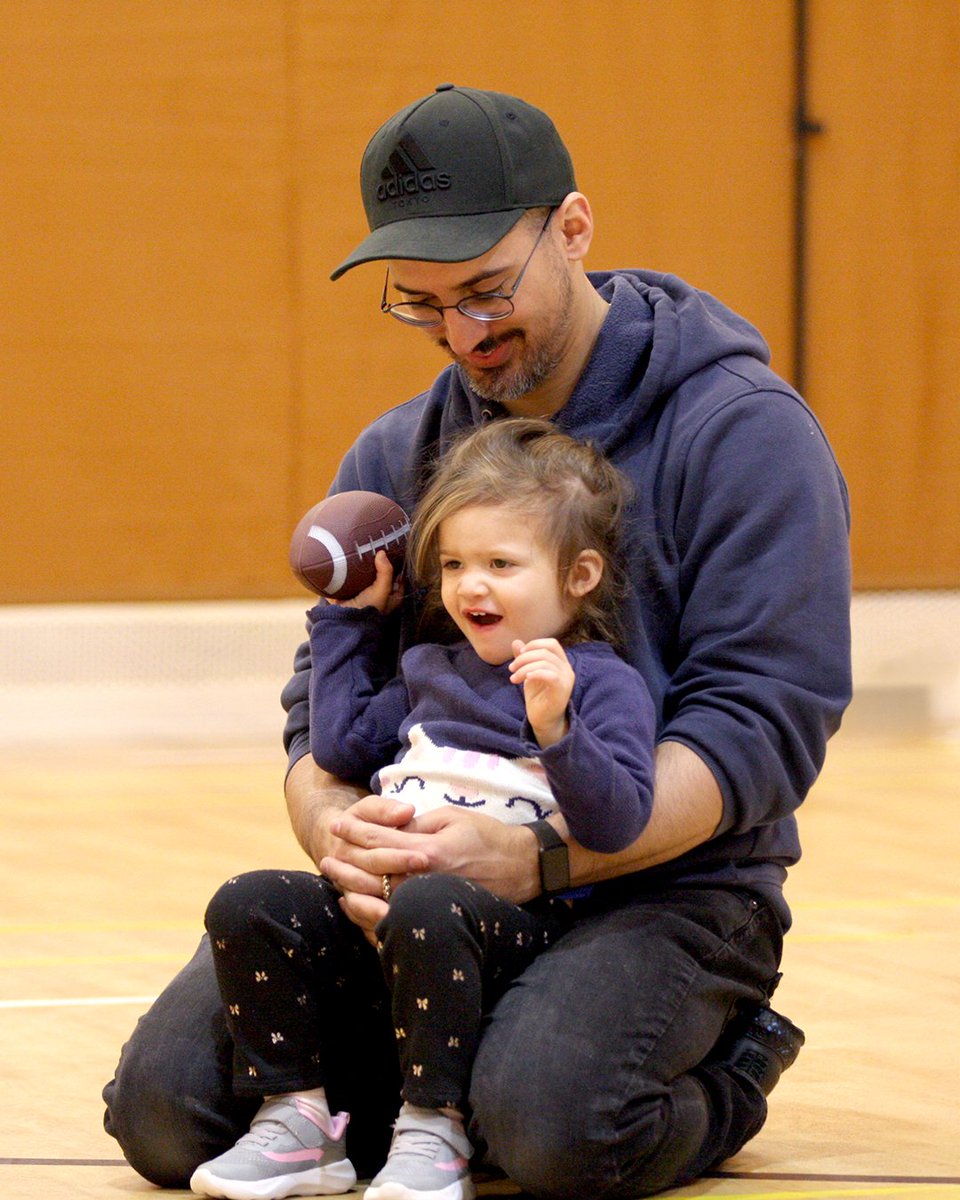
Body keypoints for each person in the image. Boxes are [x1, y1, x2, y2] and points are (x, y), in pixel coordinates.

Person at [103, 84, 852, 1198]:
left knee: (552, 1131)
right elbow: (321, 705)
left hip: (663, 891)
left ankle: (725, 1068)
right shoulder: (395, 452)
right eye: (423, 305)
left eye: (489, 291)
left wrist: (545, 859)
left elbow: (761, 729)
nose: (463, 334)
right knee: (168, 1116)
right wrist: (334, 824)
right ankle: (447, 1090)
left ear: (576, 229)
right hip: (428, 902)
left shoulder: (740, 434)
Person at [189, 417, 657, 1200]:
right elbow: (338, 746)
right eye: (453, 564)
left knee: (435, 906)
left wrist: (558, 729)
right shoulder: (429, 667)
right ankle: (299, 1121)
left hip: (506, 928)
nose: (471, 585)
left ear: (578, 576)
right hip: (387, 905)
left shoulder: (598, 684)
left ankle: (433, 1131)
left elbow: (615, 825)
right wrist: (351, 616)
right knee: (249, 902)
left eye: (501, 564)